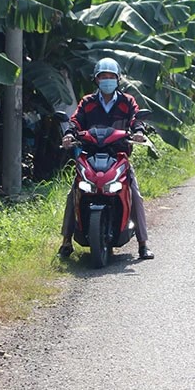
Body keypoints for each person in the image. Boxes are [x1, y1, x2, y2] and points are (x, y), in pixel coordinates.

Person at [58, 57, 154, 260]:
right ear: (96, 80)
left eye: (111, 77)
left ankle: (143, 244)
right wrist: (69, 133)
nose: (107, 80)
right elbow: (75, 120)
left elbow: (136, 118)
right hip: (90, 155)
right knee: (73, 193)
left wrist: (137, 131)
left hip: (118, 156)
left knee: (134, 195)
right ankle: (66, 241)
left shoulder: (126, 101)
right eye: (103, 77)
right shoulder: (88, 102)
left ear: (118, 79)